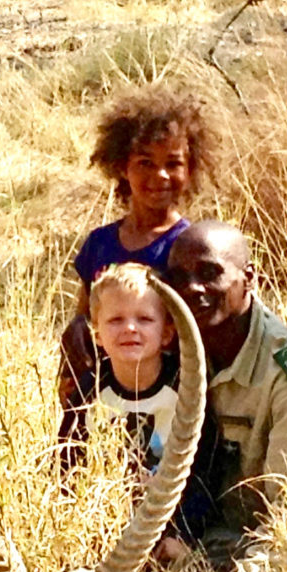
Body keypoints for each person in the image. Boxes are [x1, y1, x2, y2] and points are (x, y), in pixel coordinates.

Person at [164, 220, 287, 572]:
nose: (192, 288)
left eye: (210, 273)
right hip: (179, 543)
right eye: (179, 277)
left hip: (249, 560)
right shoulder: (166, 350)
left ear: (249, 278)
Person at [58, 89, 214, 404]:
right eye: (145, 162)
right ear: (120, 167)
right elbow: (84, 314)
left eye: (173, 163)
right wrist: (69, 364)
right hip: (105, 398)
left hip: (169, 400)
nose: (160, 175)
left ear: (191, 169)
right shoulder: (99, 244)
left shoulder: (190, 247)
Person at [58, 263, 219, 549]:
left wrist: (182, 535)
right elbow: (67, 464)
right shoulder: (89, 390)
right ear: (96, 334)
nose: (130, 328)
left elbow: (205, 472)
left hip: (173, 526)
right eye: (115, 320)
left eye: (144, 319)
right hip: (104, 528)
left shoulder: (185, 386)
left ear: (168, 333)